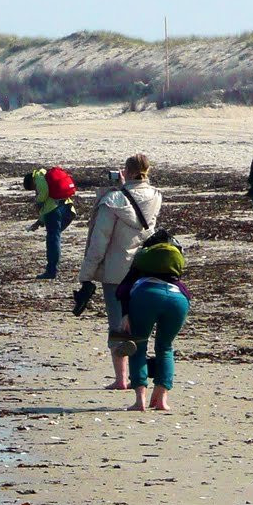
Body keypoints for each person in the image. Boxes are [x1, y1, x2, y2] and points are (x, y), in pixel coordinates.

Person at [76, 154, 163, 389]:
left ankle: (121, 379)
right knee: (140, 324)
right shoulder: (155, 195)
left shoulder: (113, 199)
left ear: (126, 170)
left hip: (116, 270)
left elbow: (99, 241)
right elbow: (139, 215)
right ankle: (138, 378)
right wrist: (125, 187)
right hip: (143, 268)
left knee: (117, 325)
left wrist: (86, 275)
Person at [117, 232, 191, 412]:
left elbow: (123, 290)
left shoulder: (143, 259)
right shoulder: (173, 260)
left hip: (145, 296)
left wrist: (125, 314)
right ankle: (161, 399)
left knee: (139, 345)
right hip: (178, 299)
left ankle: (139, 400)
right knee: (165, 347)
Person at [23, 167, 74, 279]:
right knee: (54, 237)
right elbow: (48, 201)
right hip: (67, 208)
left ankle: (51, 271)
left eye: (32, 188)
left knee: (52, 240)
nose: (34, 190)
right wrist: (40, 221)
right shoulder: (47, 177)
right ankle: (53, 268)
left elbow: (46, 200)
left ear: (31, 181)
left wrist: (38, 201)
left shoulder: (39, 179)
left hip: (54, 212)